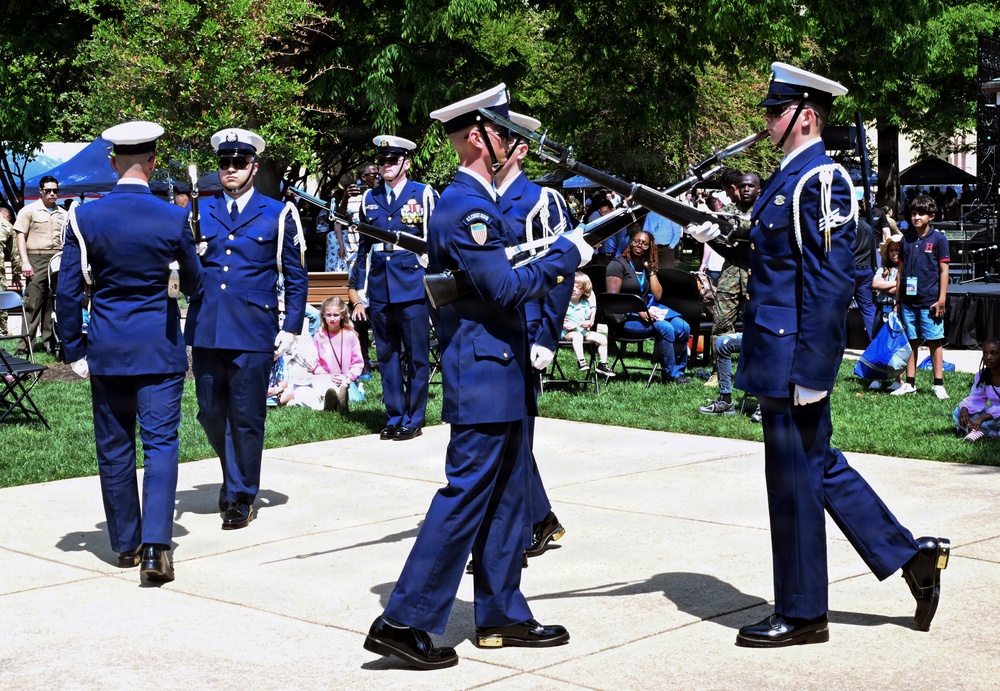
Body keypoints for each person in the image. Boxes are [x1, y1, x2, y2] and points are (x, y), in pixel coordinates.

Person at [687, 62, 949, 647]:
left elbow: (829, 284)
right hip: (776, 352)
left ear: (803, 115)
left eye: (774, 112)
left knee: (793, 484)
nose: (767, 122)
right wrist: (721, 237)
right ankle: (911, 556)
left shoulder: (820, 180)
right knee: (818, 467)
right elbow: (777, 264)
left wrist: (813, 370)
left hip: (792, 360)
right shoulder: (788, 178)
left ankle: (804, 612)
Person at [364, 83, 592, 670]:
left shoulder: (478, 203)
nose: (514, 143)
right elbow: (505, 288)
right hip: (484, 373)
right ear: (476, 137)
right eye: (503, 132)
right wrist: (567, 254)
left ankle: (502, 612)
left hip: (505, 370)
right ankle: (402, 620)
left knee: (509, 500)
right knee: (464, 498)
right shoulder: (466, 208)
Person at [56, 121, 202, 583]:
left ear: (113, 161)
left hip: (106, 346)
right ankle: (157, 549)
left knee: (115, 446)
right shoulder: (172, 216)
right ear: (154, 162)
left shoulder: (84, 216)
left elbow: (67, 292)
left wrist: (74, 349)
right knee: (160, 446)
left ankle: (124, 544)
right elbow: (195, 283)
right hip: (157, 346)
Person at [184, 127, 308, 530]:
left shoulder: (279, 213)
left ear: (254, 167)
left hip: (254, 328)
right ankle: (231, 474)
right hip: (207, 326)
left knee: (248, 415)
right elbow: (189, 272)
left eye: (239, 163)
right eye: (224, 163)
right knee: (210, 412)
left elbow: (295, 274)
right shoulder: (200, 213)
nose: (231, 169)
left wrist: (290, 327)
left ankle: (240, 494)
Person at [351, 136, 438, 441]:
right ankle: (394, 415)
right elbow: (363, 250)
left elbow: (435, 247)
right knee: (386, 356)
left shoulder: (423, 194)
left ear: (406, 163)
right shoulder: (369, 199)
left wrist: (434, 295)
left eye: (392, 161)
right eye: (382, 161)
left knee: (416, 356)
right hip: (379, 289)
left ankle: (414, 418)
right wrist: (358, 293)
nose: (385, 166)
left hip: (414, 288)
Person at [605, 229, 691, 384]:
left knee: (683, 326)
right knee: (665, 327)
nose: (639, 246)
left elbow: (658, 296)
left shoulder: (646, 266)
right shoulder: (617, 265)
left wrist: (651, 270)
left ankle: (679, 371)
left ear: (650, 248)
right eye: (636, 241)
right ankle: (670, 374)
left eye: (645, 244)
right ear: (630, 242)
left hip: (647, 313)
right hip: (623, 318)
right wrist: (638, 310)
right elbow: (613, 300)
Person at [704, 172, 759, 387]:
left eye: (751, 186)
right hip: (730, 276)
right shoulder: (726, 212)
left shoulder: (764, 212)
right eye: (743, 186)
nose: (746, 189)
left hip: (755, 276)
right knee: (721, 323)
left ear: (758, 189)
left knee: (755, 325)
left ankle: (752, 371)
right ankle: (718, 372)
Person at [892, 195, 950, 399]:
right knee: (911, 341)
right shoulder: (905, 239)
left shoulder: (939, 240)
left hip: (930, 301)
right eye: (913, 213)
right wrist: (897, 301)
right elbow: (901, 271)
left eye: (920, 214)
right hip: (908, 301)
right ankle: (910, 383)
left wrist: (941, 299)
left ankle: (938, 384)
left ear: (931, 216)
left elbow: (944, 271)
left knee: (934, 341)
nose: (915, 217)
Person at [13, 175, 67, 354]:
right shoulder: (29, 211)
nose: (52, 194)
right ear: (41, 191)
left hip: (57, 259)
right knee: (33, 303)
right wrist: (25, 262)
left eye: (55, 191)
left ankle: (49, 343)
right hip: (36, 258)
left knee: (53, 302)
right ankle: (24, 346)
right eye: (48, 191)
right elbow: (20, 236)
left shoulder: (63, 213)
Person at [312, 296, 364, 414]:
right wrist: (325, 375)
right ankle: (330, 401)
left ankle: (353, 392)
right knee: (325, 390)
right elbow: (315, 363)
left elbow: (358, 363)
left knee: (356, 399)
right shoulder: (318, 336)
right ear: (323, 316)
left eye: (336, 315)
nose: (332, 319)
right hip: (325, 378)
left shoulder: (350, 336)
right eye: (329, 315)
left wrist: (349, 377)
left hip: (346, 379)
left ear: (342, 315)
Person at [562, 271, 614, 376]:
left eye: (579, 287)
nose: (574, 289)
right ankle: (581, 360)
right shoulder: (563, 302)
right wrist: (562, 323)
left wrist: (587, 323)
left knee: (603, 339)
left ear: (584, 290)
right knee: (577, 336)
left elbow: (586, 319)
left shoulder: (585, 303)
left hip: (582, 331)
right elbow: (556, 317)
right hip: (566, 332)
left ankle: (603, 364)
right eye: (572, 286)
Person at [953, 337, 1000, 441]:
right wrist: (965, 408)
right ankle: (986, 431)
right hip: (991, 416)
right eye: (985, 353)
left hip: (995, 416)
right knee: (958, 411)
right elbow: (976, 398)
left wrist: (982, 418)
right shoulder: (982, 375)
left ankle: (978, 430)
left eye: (994, 353)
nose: (988, 357)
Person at [853, 190, 878, 338]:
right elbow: (872, 251)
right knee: (868, 308)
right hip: (866, 270)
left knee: (840, 308)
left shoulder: (847, 227)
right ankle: (876, 342)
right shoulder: (868, 227)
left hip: (850, 271)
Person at [1, 206, 23, 335]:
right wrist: (16, 275)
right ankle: (2, 331)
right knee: (1, 300)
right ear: (7, 216)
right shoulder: (7, 225)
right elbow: (15, 255)